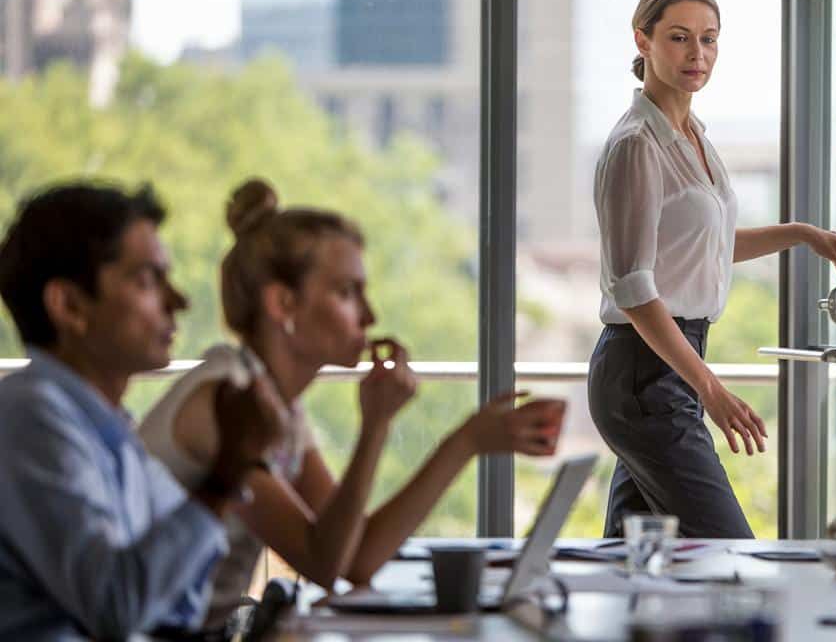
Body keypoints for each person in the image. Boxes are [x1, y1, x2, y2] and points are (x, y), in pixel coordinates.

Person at [138, 179, 566, 630]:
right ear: (284, 304)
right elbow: (323, 562)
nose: (369, 316)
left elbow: (355, 559)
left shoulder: (277, 405)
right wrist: (378, 426)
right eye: (346, 293)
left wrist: (467, 442)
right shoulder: (225, 401)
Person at [588, 0, 836, 539]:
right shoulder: (636, 146)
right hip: (644, 371)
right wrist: (711, 390)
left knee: (640, 561)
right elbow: (633, 288)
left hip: (671, 364)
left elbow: (708, 244)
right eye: (678, 37)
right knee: (729, 551)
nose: (697, 54)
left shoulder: (692, 135)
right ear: (642, 41)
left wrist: (803, 234)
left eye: (709, 39)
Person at [0, 182, 286, 640]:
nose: (179, 302)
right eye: (148, 280)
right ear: (70, 306)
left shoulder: (108, 429)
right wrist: (225, 475)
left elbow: (180, 603)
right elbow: (119, 606)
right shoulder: (30, 420)